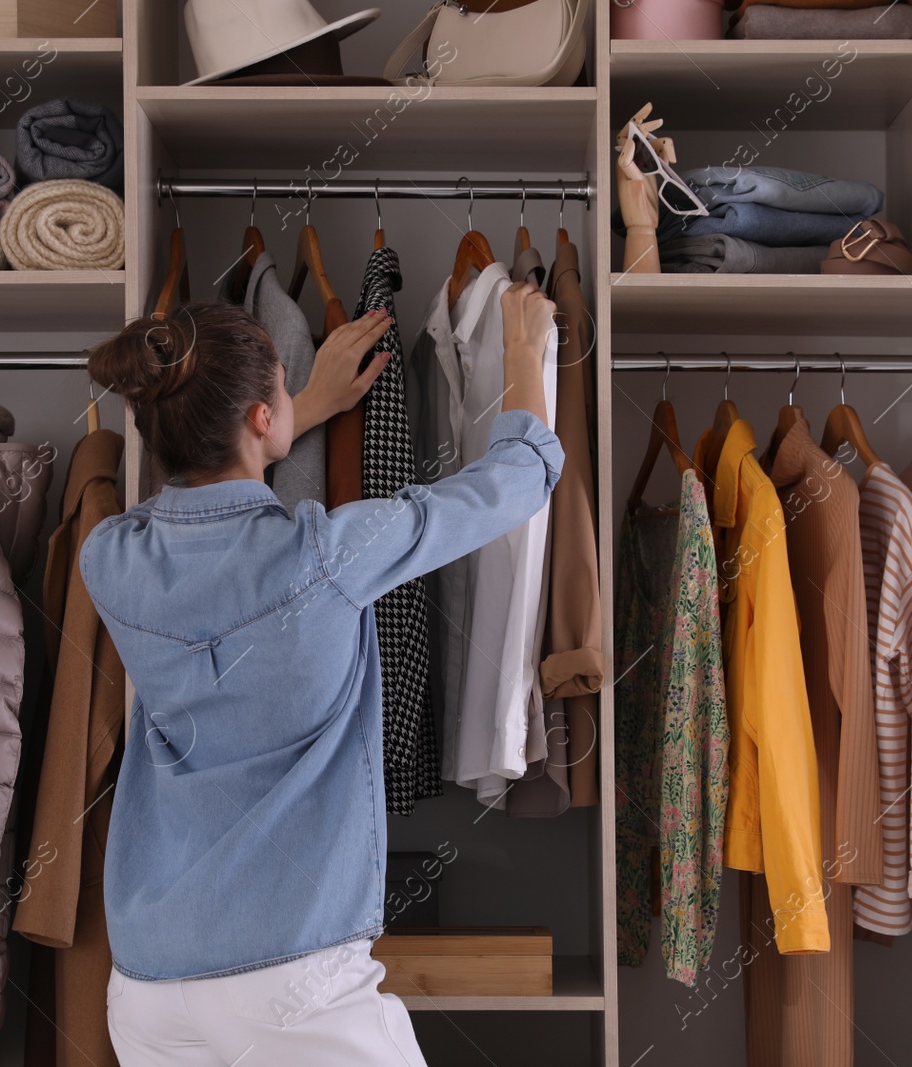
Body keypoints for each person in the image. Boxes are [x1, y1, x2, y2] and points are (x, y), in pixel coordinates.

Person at [80, 282, 563, 1065]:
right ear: (261, 418)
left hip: (148, 982)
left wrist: (294, 408)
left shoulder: (109, 559)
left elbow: (201, 506)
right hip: (286, 977)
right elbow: (521, 475)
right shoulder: (330, 556)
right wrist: (519, 347)